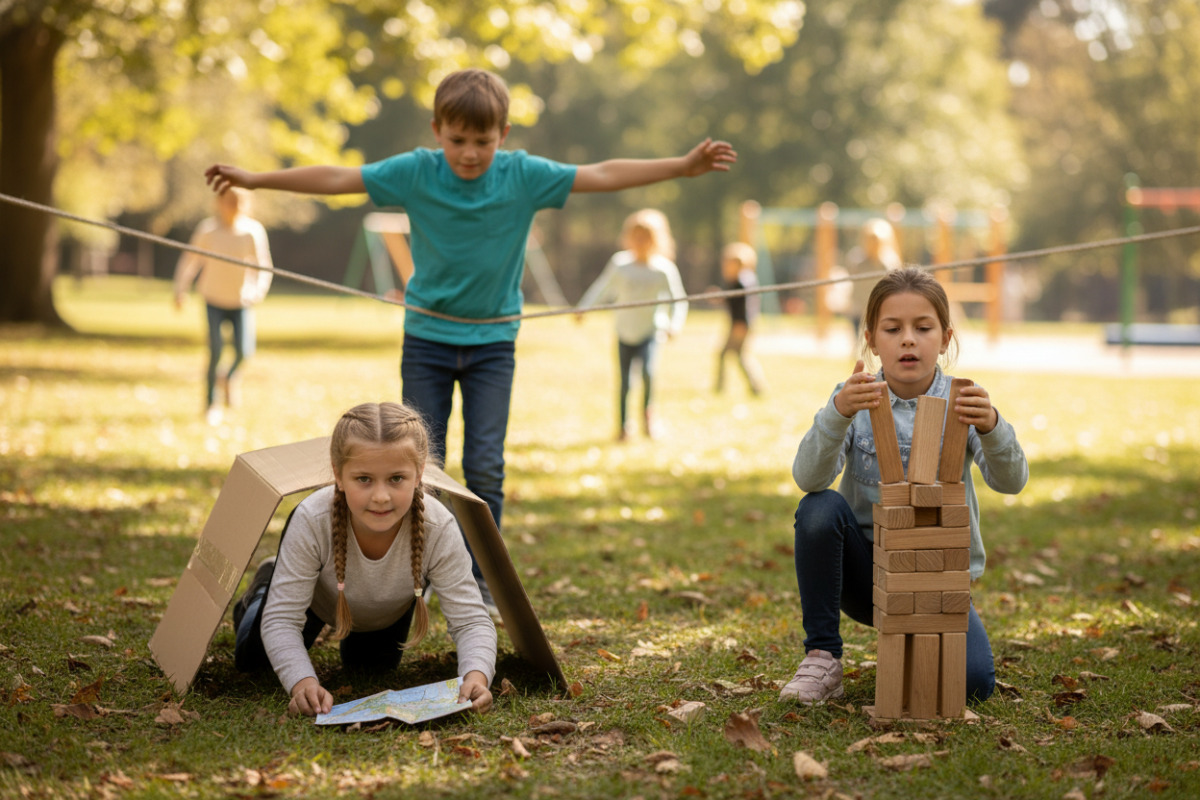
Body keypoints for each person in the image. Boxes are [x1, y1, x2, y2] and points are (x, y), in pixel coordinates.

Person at [205, 68, 736, 608]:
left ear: (503, 135)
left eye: (483, 141)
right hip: (427, 342)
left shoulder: (522, 175)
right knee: (420, 466)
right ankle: (417, 572)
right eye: (457, 139)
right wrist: (256, 180)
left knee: (485, 465)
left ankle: (479, 581)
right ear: (437, 130)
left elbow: (600, 173)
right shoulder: (416, 171)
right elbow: (340, 178)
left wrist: (681, 166)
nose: (469, 153)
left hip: (492, 347)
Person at [780, 267, 1027, 705]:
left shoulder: (964, 400)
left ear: (945, 339)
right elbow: (808, 478)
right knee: (819, 508)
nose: (908, 340)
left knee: (973, 684)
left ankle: (920, 644)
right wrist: (837, 412)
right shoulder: (854, 398)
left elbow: (1011, 482)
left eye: (923, 328)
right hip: (866, 577)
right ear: (872, 340)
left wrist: (992, 426)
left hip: (938, 581)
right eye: (893, 329)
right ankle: (822, 656)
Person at [230, 401, 496, 716]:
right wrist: (303, 684)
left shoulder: (438, 527)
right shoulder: (313, 519)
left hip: (383, 610)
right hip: (318, 599)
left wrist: (476, 677)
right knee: (253, 661)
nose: (380, 497)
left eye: (396, 478)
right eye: (364, 479)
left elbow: (471, 620)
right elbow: (282, 620)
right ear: (338, 474)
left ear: (419, 473)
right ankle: (267, 582)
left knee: (371, 670)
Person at [575, 209, 688, 441]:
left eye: (646, 238)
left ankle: (648, 419)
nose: (640, 242)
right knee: (625, 381)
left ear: (657, 240)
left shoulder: (663, 269)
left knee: (648, 373)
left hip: (650, 332)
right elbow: (603, 288)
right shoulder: (620, 264)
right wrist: (584, 307)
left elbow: (679, 300)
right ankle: (623, 427)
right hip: (624, 331)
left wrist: (675, 325)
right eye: (636, 237)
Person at [173, 188, 273, 425]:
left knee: (244, 351)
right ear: (218, 203)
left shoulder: (252, 231)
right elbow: (191, 260)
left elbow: (263, 265)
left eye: (236, 203)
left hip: (241, 301)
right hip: (213, 299)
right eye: (227, 202)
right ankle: (211, 404)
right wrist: (180, 289)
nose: (232, 207)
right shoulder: (208, 230)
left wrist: (258, 290)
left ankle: (228, 378)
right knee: (215, 350)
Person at [713, 241, 766, 396]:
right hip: (739, 324)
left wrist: (742, 324)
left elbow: (746, 306)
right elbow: (734, 301)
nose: (726, 267)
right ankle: (754, 387)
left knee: (737, 356)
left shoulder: (742, 283)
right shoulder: (738, 281)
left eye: (729, 264)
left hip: (740, 325)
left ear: (741, 265)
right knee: (736, 356)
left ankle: (755, 387)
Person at [840, 218, 902, 342]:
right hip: (859, 307)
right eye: (870, 240)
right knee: (859, 338)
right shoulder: (856, 260)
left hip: (880, 308)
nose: (873, 245)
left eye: (877, 241)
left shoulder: (889, 263)